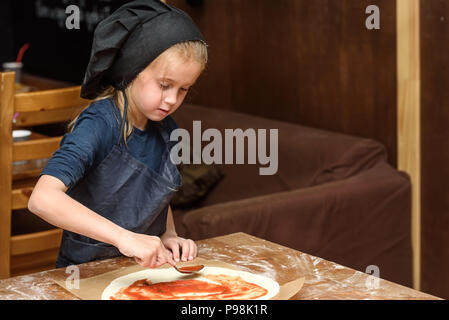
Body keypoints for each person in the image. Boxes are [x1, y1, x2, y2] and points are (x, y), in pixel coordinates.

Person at [28, 0, 208, 269]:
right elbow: (42, 199)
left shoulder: (168, 130)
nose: (172, 100)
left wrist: (168, 235)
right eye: (164, 85)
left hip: (140, 272)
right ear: (132, 69)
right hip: (85, 274)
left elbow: (157, 194)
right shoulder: (99, 124)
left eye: (183, 89)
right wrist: (124, 238)